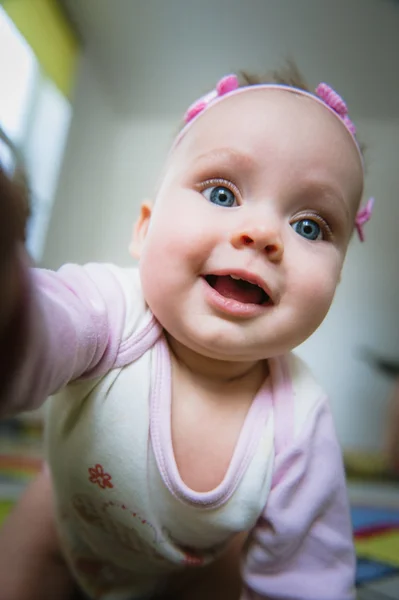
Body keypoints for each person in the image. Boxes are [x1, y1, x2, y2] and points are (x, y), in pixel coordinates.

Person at [0, 64, 374, 600]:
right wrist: (10, 310)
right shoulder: (111, 310)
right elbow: (40, 329)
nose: (264, 233)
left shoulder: (299, 417)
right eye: (222, 194)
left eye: (309, 225)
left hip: (191, 564)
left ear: (336, 280)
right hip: (63, 526)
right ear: (145, 229)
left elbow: (308, 569)